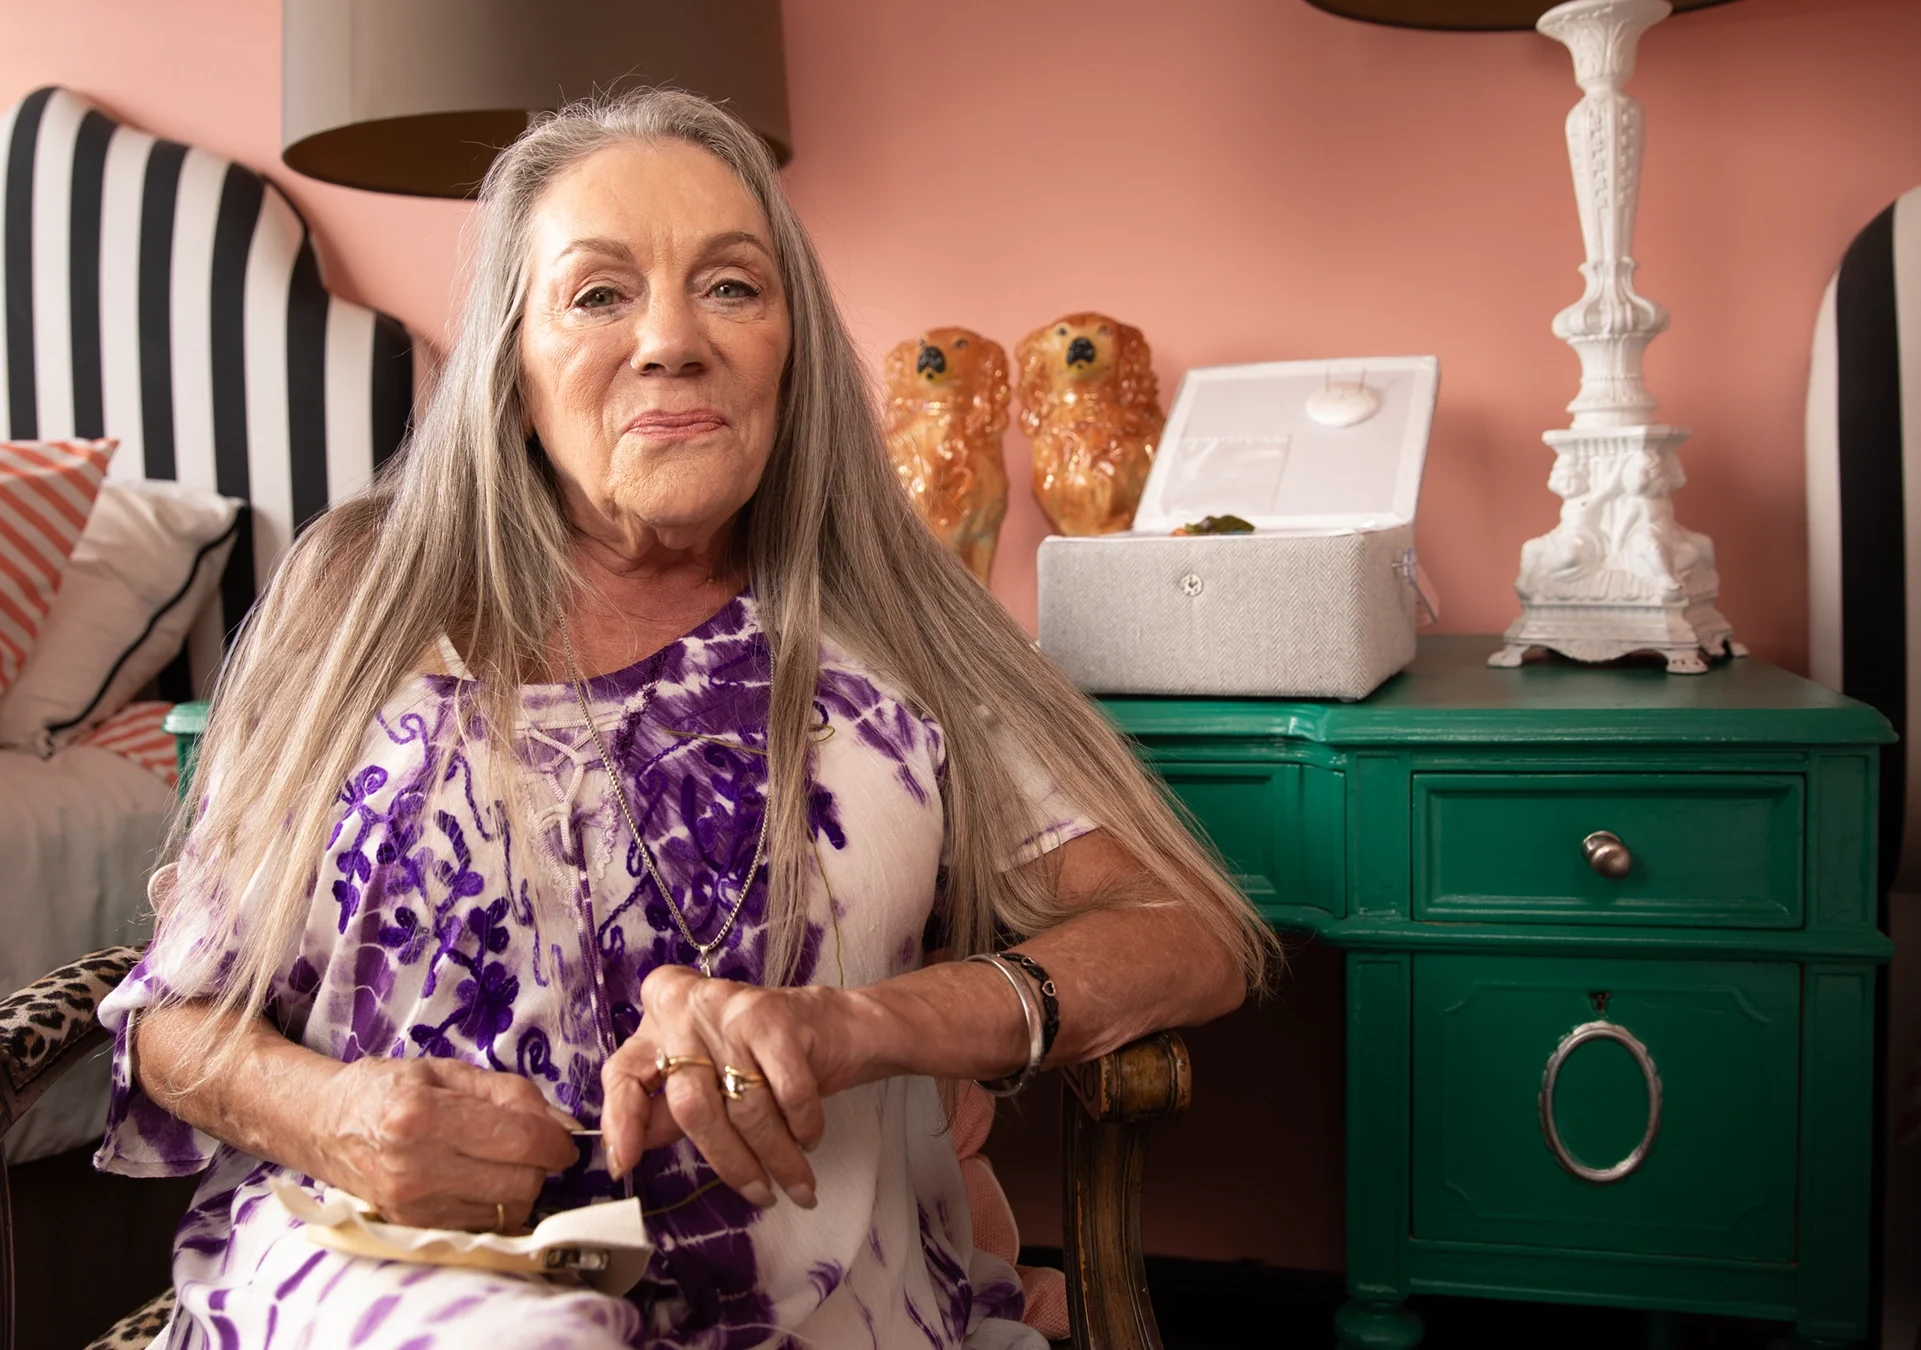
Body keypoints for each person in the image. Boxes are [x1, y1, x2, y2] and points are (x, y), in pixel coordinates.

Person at [97, 87, 1272, 1350]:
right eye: (599, 294)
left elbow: (1186, 934)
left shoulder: (895, 627)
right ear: (513, 359)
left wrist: (872, 1026)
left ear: (791, 347)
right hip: (380, 1280)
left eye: (730, 287)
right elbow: (171, 1020)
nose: (672, 341)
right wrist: (328, 1116)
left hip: (822, 1309)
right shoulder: (356, 595)